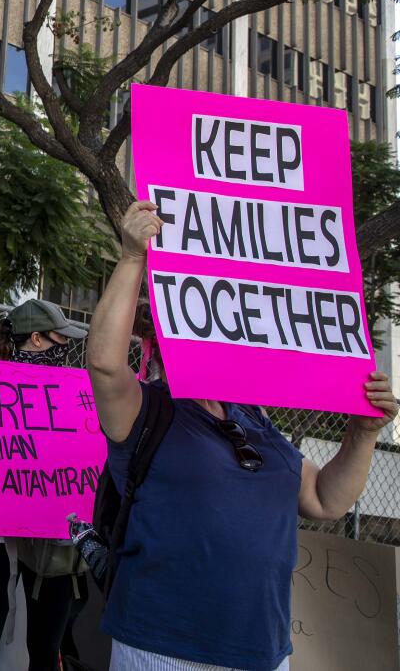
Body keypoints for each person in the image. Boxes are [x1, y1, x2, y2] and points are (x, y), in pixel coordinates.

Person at [87, 201, 397, 671]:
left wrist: (363, 434)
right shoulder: (151, 411)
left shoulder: (258, 423)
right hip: (163, 650)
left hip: (261, 652)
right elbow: (106, 364)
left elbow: (324, 500)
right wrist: (133, 257)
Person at [0, 299, 88, 671]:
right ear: (36, 338)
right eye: (60, 339)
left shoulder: (72, 393)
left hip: (50, 530)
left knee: (46, 643)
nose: (66, 348)